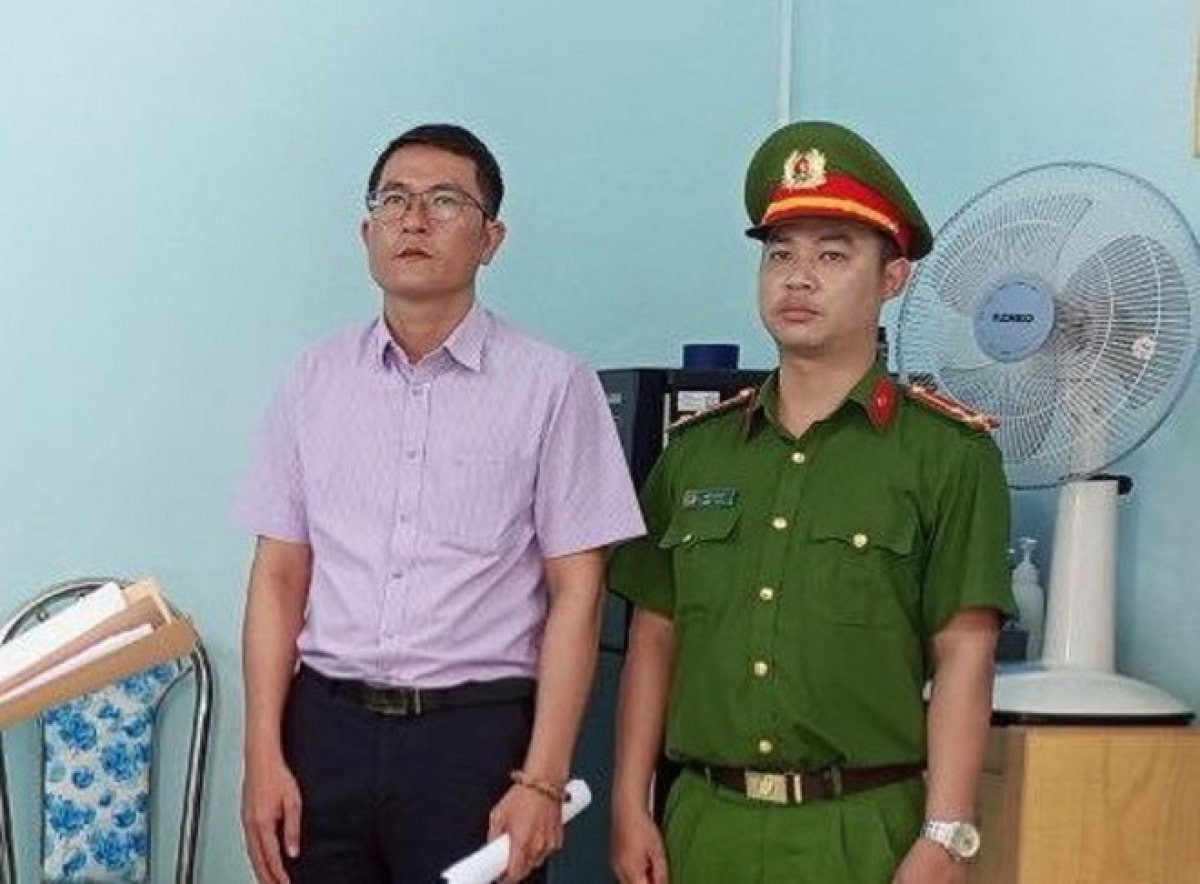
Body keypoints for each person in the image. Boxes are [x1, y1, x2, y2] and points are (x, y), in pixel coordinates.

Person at [234, 122, 645, 884]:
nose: (414, 220)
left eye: (445, 201)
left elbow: (578, 593)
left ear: (491, 239)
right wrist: (263, 752)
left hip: (474, 743)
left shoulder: (554, 386)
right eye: (394, 200)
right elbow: (278, 577)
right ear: (366, 232)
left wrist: (543, 779)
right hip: (323, 731)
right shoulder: (310, 381)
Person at [607, 120, 1016, 884]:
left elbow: (965, 653)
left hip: (864, 829)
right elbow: (654, 640)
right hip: (706, 822)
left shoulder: (947, 455)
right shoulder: (696, 454)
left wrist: (946, 834)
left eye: (833, 255)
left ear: (892, 279)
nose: (798, 279)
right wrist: (631, 805)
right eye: (780, 254)